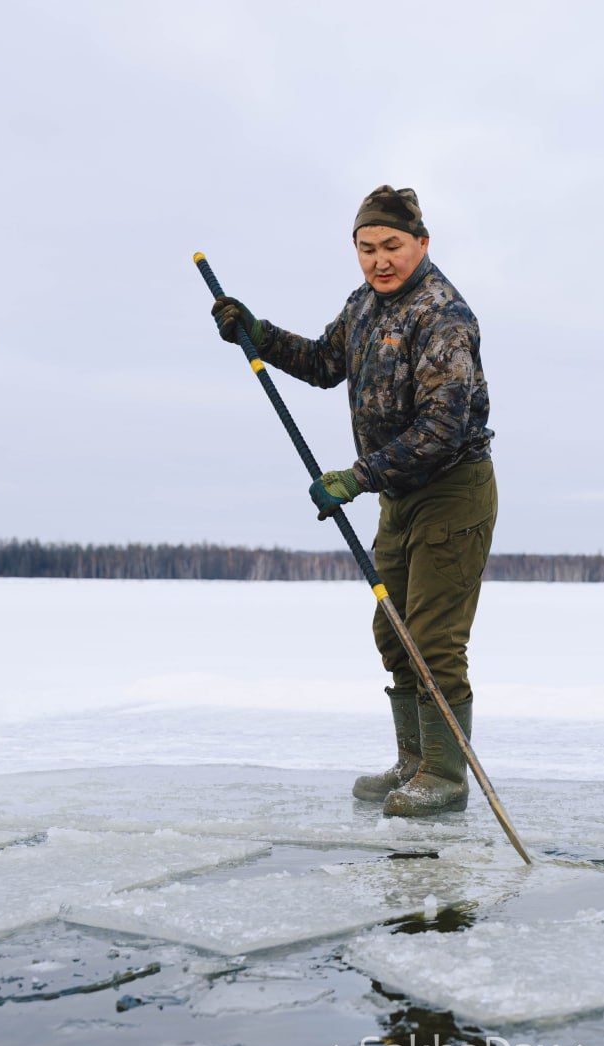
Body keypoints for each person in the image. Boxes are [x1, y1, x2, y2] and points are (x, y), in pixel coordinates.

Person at [212, 184, 496, 817]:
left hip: (452, 492)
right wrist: (257, 334)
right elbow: (323, 362)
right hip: (399, 495)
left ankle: (445, 775)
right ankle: (412, 761)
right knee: (393, 631)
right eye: (367, 248)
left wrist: (357, 476)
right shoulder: (364, 304)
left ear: (421, 243)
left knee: (433, 638)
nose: (379, 260)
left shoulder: (443, 315)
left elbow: (442, 427)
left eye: (391, 245)